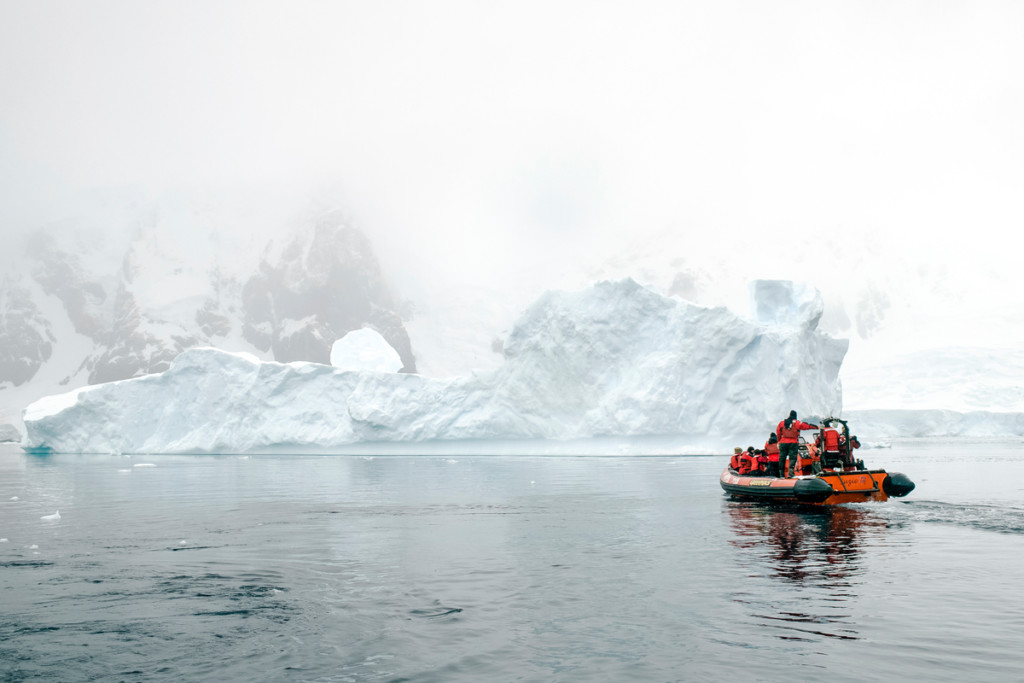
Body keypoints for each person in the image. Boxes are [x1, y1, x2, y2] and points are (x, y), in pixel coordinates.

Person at [776, 410, 819, 477]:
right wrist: (817, 427)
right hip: (793, 443)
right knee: (792, 458)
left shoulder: (782, 423)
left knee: (782, 458)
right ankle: (791, 474)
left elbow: (778, 433)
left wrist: (779, 441)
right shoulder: (797, 423)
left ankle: (781, 474)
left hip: (783, 443)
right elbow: (806, 426)